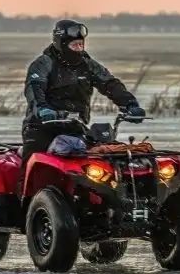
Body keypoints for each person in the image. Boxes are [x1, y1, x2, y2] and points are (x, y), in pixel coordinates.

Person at [17, 19, 146, 191]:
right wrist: (41, 108)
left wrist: (129, 104)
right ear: (62, 43)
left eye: (81, 44)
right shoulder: (44, 63)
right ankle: (24, 206)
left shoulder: (88, 64)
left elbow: (109, 84)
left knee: (101, 159)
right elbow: (34, 88)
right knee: (33, 167)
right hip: (41, 127)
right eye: (74, 45)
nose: (79, 48)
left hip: (75, 126)